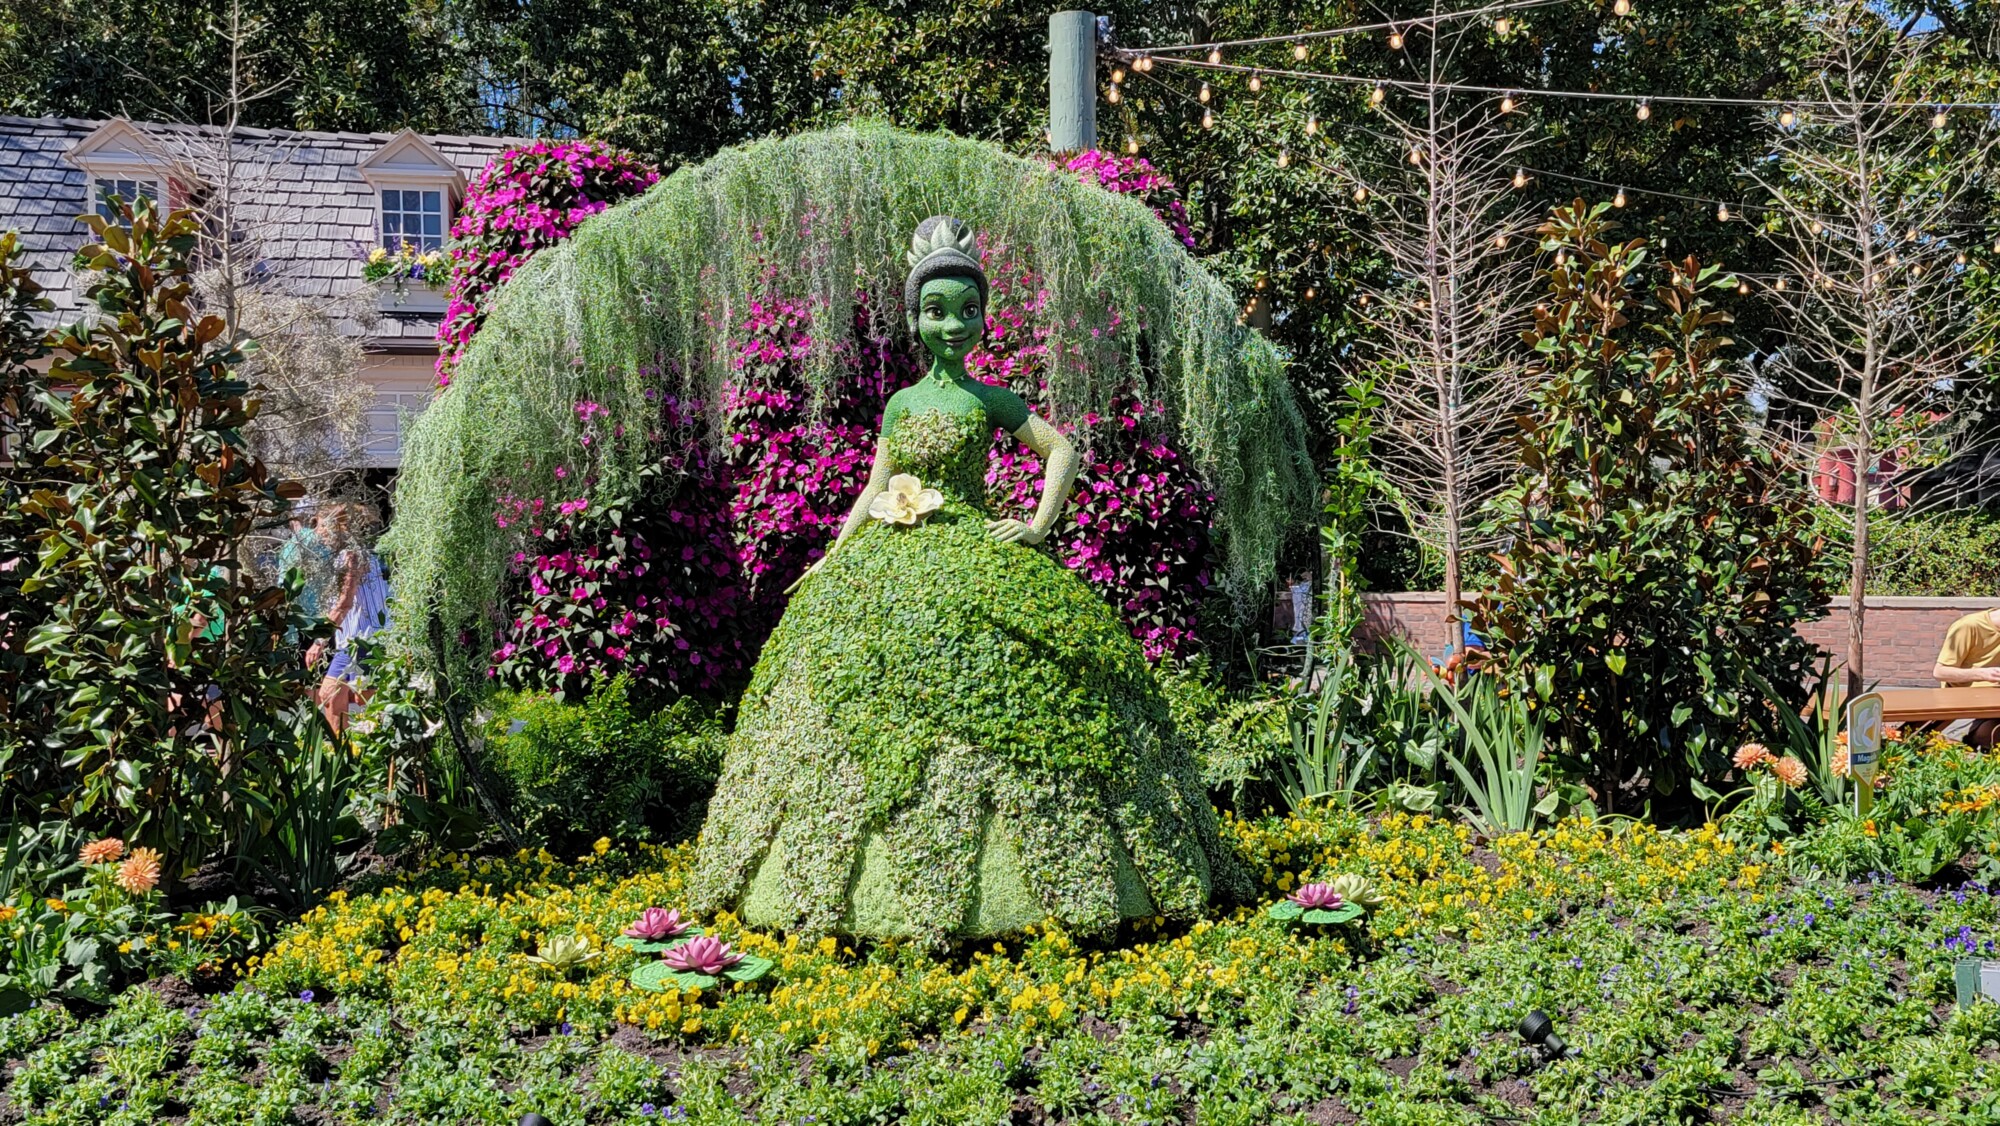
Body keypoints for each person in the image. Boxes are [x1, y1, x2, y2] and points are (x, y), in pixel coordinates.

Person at [690, 217, 1247, 945]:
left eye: (966, 310)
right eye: (935, 310)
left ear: (983, 316)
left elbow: (1061, 451)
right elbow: (874, 487)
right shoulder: (901, 404)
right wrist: (835, 552)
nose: (952, 324)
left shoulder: (987, 399)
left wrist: (1038, 526)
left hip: (975, 547)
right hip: (891, 550)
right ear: (915, 317)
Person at [310, 502, 390, 733]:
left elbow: (345, 601)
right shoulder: (369, 554)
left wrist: (319, 641)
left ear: (339, 528)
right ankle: (365, 752)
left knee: (330, 693)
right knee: (368, 699)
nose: (318, 532)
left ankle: (341, 756)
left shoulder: (351, 557)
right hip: (376, 635)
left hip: (362, 638)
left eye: (321, 526)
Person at [1932, 606, 2000, 749]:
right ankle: (1966, 737)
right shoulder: (1969, 626)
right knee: (1990, 734)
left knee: (1992, 732)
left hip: (1995, 698)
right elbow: (1940, 672)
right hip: (1965, 698)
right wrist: (1983, 674)